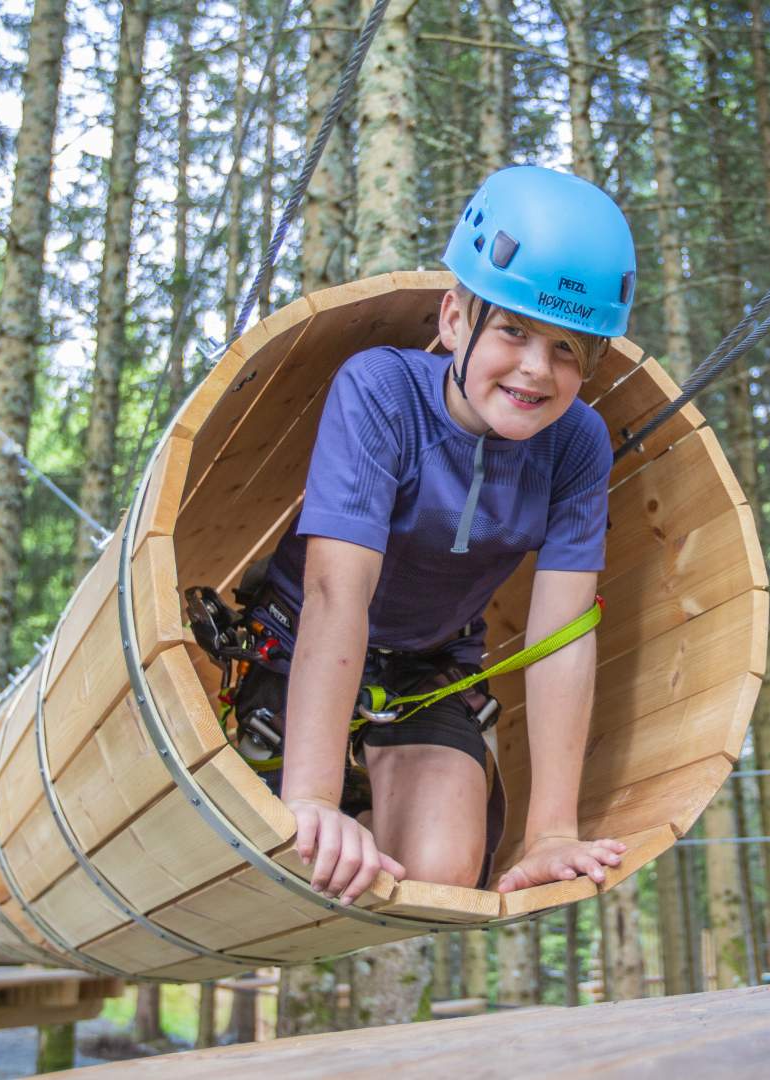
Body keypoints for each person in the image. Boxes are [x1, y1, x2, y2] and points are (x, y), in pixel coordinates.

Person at [234, 165, 638, 906]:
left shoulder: (577, 444)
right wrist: (314, 798)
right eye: (514, 330)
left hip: (424, 668)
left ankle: (374, 797)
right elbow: (334, 592)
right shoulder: (381, 392)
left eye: (567, 350)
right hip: (301, 642)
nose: (535, 369)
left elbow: (561, 636)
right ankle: (345, 788)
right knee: (292, 843)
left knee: (442, 872)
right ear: (455, 321)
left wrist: (552, 830)